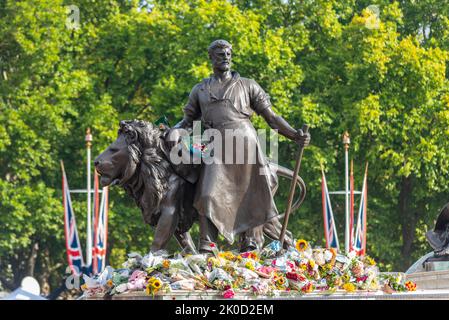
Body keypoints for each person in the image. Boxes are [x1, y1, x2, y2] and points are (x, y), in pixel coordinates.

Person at [168, 40, 310, 253]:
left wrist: (293, 135)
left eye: (228, 54)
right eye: (220, 54)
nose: (225, 57)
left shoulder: (248, 85)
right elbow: (186, 121)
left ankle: (251, 241)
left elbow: (271, 117)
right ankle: (207, 245)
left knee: (251, 193)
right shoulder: (200, 89)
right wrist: (171, 131)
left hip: (245, 143)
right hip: (214, 144)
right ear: (211, 57)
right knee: (206, 194)